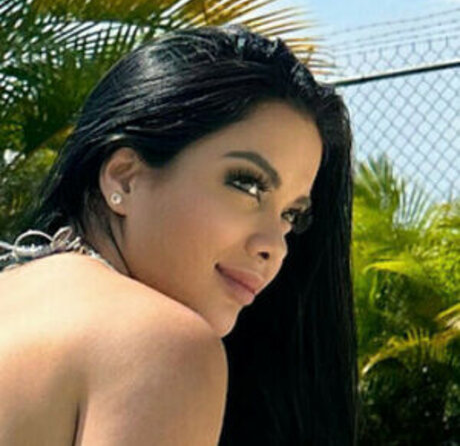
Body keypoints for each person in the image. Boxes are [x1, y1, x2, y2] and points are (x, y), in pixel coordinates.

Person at [0, 24, 358, 445]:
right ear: (124, 177)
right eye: (247, 184)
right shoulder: (160, 344)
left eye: (291, 215)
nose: (275, 246)